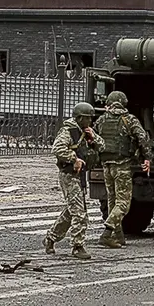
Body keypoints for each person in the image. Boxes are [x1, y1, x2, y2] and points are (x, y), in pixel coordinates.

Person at [44, 102, 105, 259]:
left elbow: (103, 146)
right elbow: (57, 149)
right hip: (69, 175)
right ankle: (77, 246)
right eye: (88, 118)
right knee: (79, 213)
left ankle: (51, 238)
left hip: (80, 177)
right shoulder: (68, 131)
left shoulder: (85, 131)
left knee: (71, 212)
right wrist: (74, 159)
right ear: (80, 118)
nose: (90, 121)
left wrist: (93, 138)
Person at [94, 90, 153, 249]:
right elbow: (143, 139)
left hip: (106, 166)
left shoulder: (101, 120)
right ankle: (107, 233)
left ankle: (119, 237)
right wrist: (146, 158)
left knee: (112, 201)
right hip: (122, 166)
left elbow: (92, 138)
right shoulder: (130, 120)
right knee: (123, 203)